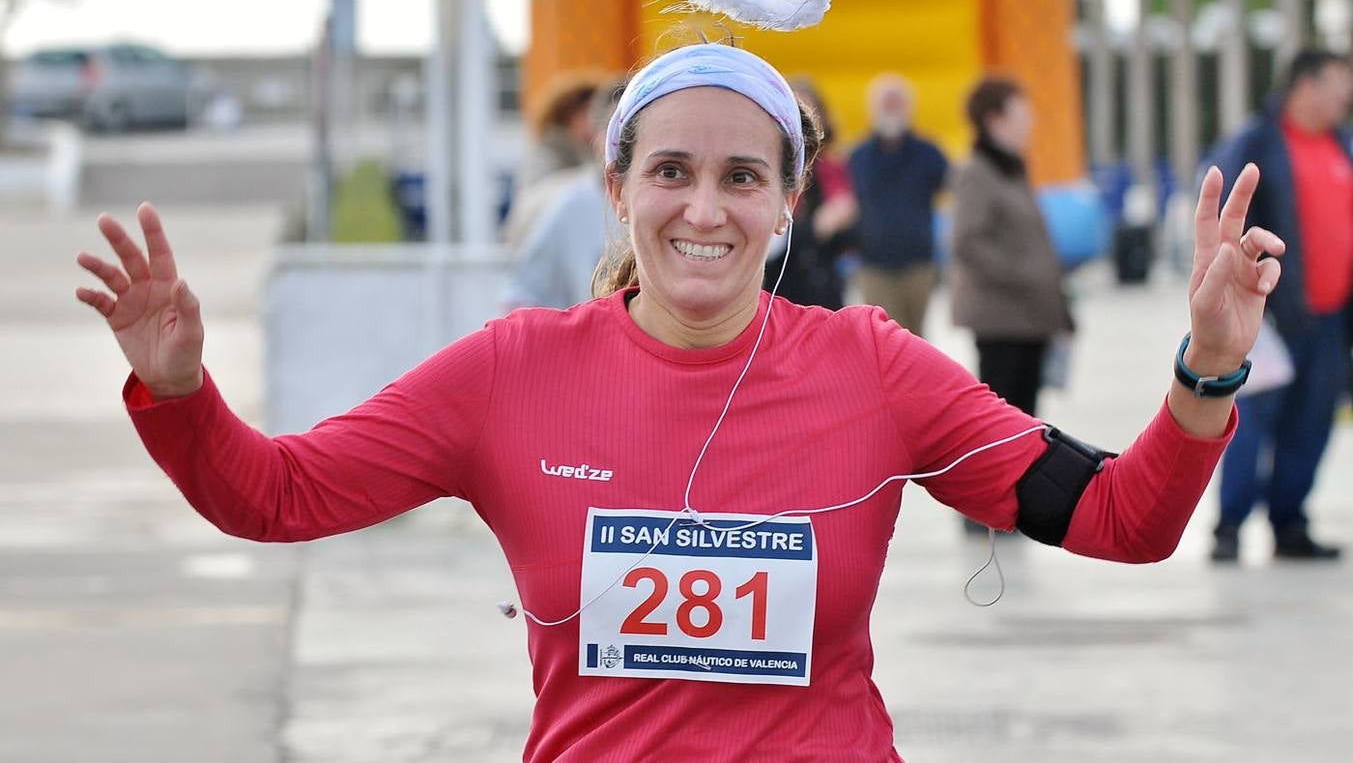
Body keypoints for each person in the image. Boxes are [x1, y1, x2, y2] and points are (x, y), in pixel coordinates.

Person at [77, 40, 1281, 762]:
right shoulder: (512, 373)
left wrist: (1208, 366)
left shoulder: (871, 365)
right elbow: (273, 496)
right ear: (618, 188)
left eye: (741, 177)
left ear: (786, 209)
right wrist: (179, 389)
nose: (704, 209)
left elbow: (1127, 521)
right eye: (671, 172)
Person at [1209, 48, 1353, 562]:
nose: (1346, 93)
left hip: (1332, 319)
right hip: (1269, 317)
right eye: (1338, 81)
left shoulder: (1343, 145)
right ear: (1305, 86)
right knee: (1249, 423)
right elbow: (1227, 217)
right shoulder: (1258, 143)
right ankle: (1229, 525)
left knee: (1312, 425)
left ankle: (1289, 523)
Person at [950, 76, 1073, 420]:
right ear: (994, 120)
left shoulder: (1009, 169)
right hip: (1001, 320)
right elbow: (967, 242)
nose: (1029, 123)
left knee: (1026, 420)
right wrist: (1025, 275)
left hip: (1028, 318)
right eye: (1021, 115)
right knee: (1004, 419)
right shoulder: (978, 171)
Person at [504, 81, 626, 310]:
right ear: (595, 136)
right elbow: (525, 296)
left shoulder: (681, 207)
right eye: (617, 133)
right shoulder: (568, 204)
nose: (626, 146)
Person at [846, 74, 949, 336]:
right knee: (885, 337)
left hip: (919, 263)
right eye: (886, 103)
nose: (891, 109)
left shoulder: (928, 153)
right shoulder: (858, 157)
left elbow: (951, 188)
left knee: (918, 338)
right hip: (874, 264)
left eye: (896, 103)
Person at [761, 78, 856, 309]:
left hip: (819, 278)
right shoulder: (768, 167)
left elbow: (843, 214)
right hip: (779, 278)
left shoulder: (830, 167)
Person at [503, 72, 608, 249]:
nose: (598, 120)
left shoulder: (591, 153)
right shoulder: (546, 153)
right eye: (590, 112)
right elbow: (537, 202)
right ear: (569, 114)